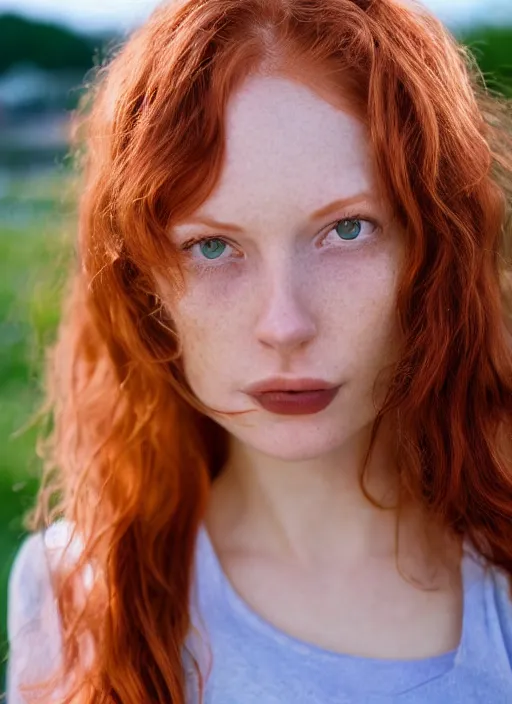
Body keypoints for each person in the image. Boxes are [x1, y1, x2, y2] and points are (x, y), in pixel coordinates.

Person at [6, 0, 512, 701]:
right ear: (144, 287)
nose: (284, 323)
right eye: (212, 246)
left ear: (434, 250)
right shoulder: (77, 598)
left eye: (347, 230)